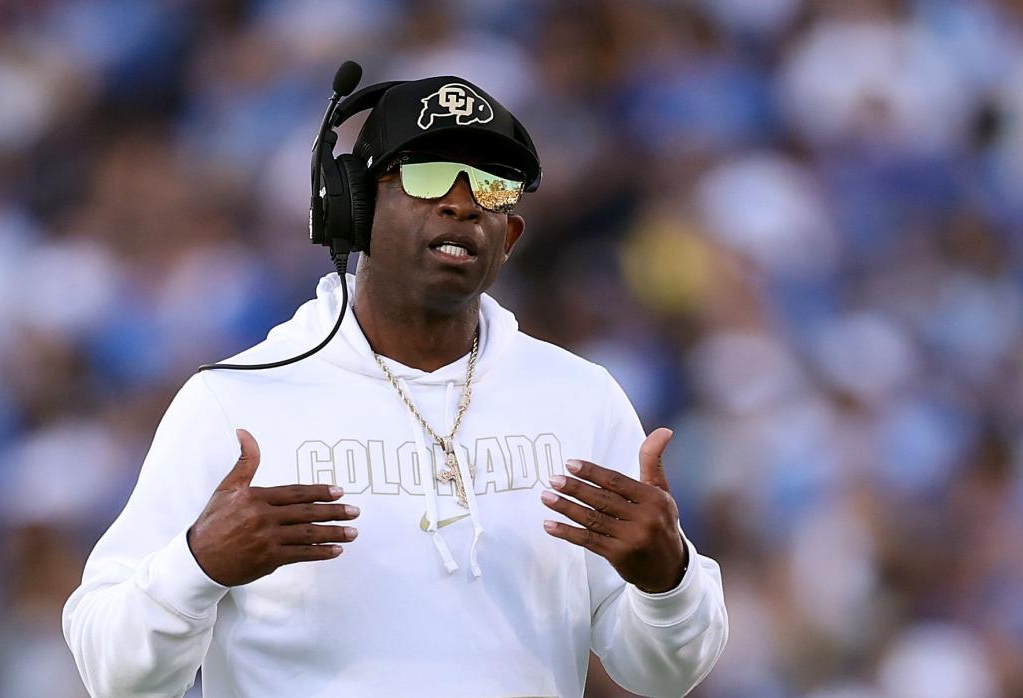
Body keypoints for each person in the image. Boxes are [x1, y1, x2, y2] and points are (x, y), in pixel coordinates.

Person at [62, 74, 729, 698]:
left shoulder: (579, 397)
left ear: (510, 235)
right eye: (430, 172)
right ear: (353, 208)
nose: (462, 203)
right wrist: (197, 565)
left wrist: (666, 581)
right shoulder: (234, 402)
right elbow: (112, 671)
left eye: (492, 187)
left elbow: (659, 675)